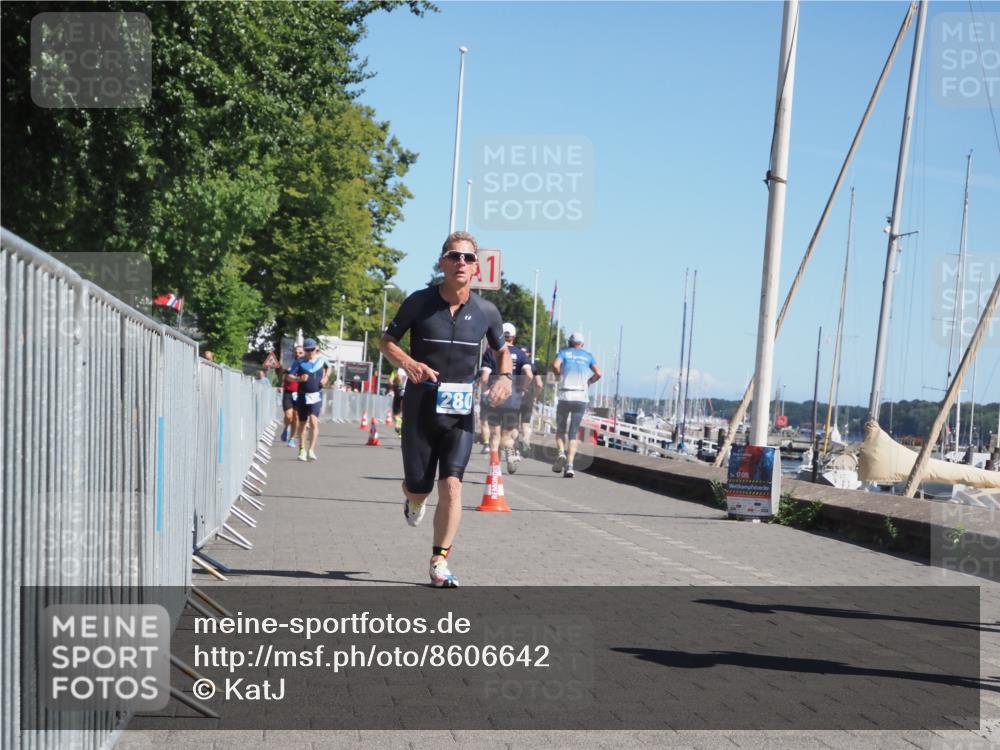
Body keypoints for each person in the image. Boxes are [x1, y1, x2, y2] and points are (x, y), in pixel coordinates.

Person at [379, 231, 511, 588]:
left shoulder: (486, 311)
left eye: (468, 258)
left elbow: (502, 350)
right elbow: (386, 341)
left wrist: (504, 378)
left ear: (476, 267)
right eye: (455, 256)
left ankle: (439, 560)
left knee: (452, 485)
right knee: (420, 488)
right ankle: (413, 499)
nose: (461, 263)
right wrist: (407, 363)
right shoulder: (419, 303)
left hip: (460, 411)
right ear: (442, 263)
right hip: (421, 406)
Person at [479, 323, 533, 474]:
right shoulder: (521, 354)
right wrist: (522, 388)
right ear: (514, 337)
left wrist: (486, 391)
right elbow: (529, 375)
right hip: (512, 398)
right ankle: (510, 453)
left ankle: (494, 469)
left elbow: (484, 377)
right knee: (508, 434)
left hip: (494, 398)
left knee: (494, 435)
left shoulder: (491, 352)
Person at [551, 332, 601, 478]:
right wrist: (589, 382)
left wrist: (558, 375)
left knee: (560, 429)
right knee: (573, 433)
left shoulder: (563, 353)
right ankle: (570, 466)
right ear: (582, 344)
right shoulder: (588, 356)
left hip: (565, 395)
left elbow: (555, 365)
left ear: (569, 342)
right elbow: (599, 373)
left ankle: (561, 453)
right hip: (580, 397)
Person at [290, 338, 330, 461]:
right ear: (305, 350)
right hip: (303, 395)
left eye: (312, 350)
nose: (310, 352)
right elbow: (289, 377)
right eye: (308, 350)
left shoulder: (322, 360)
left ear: (316, 349)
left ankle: (311, 450)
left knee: (313, 421)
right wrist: (299, 379)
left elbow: (329, 368)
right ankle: (302, 449)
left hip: (316, 395)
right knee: (302, 423)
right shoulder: (299, 363)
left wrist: (326, 377)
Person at [519, 351, 545, 454]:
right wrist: (535, 396)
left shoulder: (514, 364)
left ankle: (515, 450)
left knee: (514, 424)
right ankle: (526, 441)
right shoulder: (533, 367)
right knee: (526, 423)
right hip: (528, 397)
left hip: (515, 396)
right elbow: (539, 384)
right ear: (529, 354)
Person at [280, 344, 305, 447]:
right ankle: (286, 428)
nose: (297, 354)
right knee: (288, 416)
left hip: (299, 392)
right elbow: (283, 373)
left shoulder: (305, 364)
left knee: (296, 417)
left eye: (300, 352)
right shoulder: (289, 362)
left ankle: (292, 438)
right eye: (296, 352)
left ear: (304, 353)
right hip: (289, 391)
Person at [390, 368, 407, 435]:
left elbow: (399, 378)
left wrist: (395, 383)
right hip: (409, 392)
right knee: (404, 411)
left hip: (400, 390)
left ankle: (399, 423)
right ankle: (402, 431)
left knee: (396, 411)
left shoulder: (401, 368)